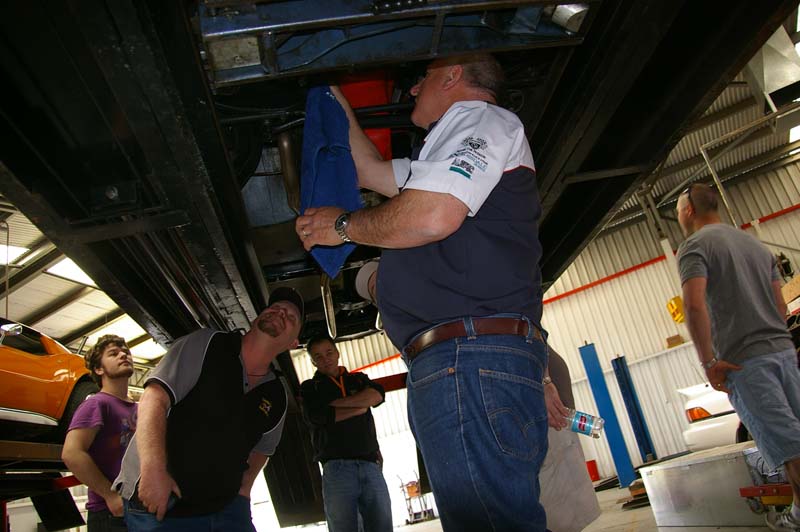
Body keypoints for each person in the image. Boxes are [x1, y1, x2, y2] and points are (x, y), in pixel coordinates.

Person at [296, 54, 550, 531]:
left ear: (453, 75)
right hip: (463, 359)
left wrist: (342, 226)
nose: (412, 90)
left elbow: (433, 216)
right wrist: (332, 96)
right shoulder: (441, 156)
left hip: (468, 357)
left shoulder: (483, 119)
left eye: (422, 79)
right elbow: (368, 170)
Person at [113, 287, 304, 531]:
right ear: (257, 317)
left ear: (293, 343)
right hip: (164, 504)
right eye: (275, 307)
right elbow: (154, 399)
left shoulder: (276, 394)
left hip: (224, 509)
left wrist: (244, 490)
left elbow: (264, 448)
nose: (280, 313)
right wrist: (153, 470)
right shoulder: (208, 343)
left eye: (291, 317)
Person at [676, 184, 800, 532]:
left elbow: (693, 306)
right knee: (792, 438)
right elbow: (780, 305)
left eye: (678, 210)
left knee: (790, 445)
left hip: (746, 361)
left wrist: (709, 363)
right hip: (783, 352)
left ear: (689, 210)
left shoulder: (695, 246)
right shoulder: (755, 245)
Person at [299, 334, 392, 532]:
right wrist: (360, 405)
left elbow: (377, 395)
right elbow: (318, 416)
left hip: (370, 464)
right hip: (336, 468)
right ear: (313, 362)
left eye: (329, 352)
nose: (326, 359)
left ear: (337, 352)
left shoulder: (358, 379)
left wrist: (335, 407)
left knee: (381, 525)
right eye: (318, 356)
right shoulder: (310, 387)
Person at [62, 335, 137, 532]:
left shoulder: (140, 408)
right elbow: (71, 453)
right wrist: (110, 495)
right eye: (113, 353)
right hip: (110, 514)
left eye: (125, 351)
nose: (123, 355)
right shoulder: (97, 404)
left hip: (139, 510)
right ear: (98, 369)